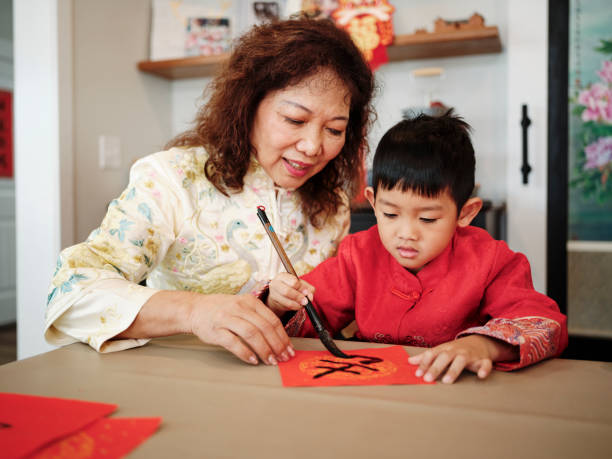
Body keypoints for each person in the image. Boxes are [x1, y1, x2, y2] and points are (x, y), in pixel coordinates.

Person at [45, 16, 375, 366]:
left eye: (335, 130)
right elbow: (70, 295)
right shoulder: (173, 179)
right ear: (248, 105)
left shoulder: (333, 206)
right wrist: (195, 311)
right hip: (185, 384)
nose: (312, 146)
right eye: (294, 120)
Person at [266, 111, 568, 383]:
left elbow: (544, 324)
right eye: (390, 214)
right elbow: (310, 317)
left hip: (456, 394)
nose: (406, 233)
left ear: (465, 213)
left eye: (428, 218)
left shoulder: (491, 260)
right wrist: (281, 303)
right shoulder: (358, 254)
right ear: (372, 201)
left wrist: (481, 346)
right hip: (376, 390)